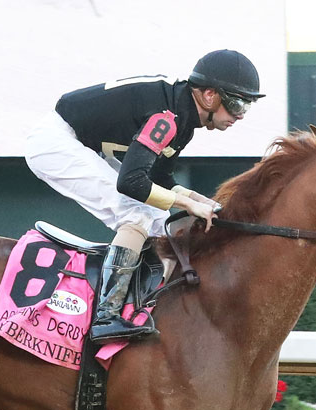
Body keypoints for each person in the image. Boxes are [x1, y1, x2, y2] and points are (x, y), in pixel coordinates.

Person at [25, 49, 265, 343]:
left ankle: (140, 306)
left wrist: (199, 200)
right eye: (237, 103)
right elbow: (131, 183)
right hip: (57, 142)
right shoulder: (168, 117)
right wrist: (188, 204)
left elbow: (159, 179)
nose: (240, 116)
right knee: (135, 213)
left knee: (157, 218)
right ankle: (106, 314)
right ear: (209, 95)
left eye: (247, 106)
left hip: (83, 143)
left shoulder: (182, 116)